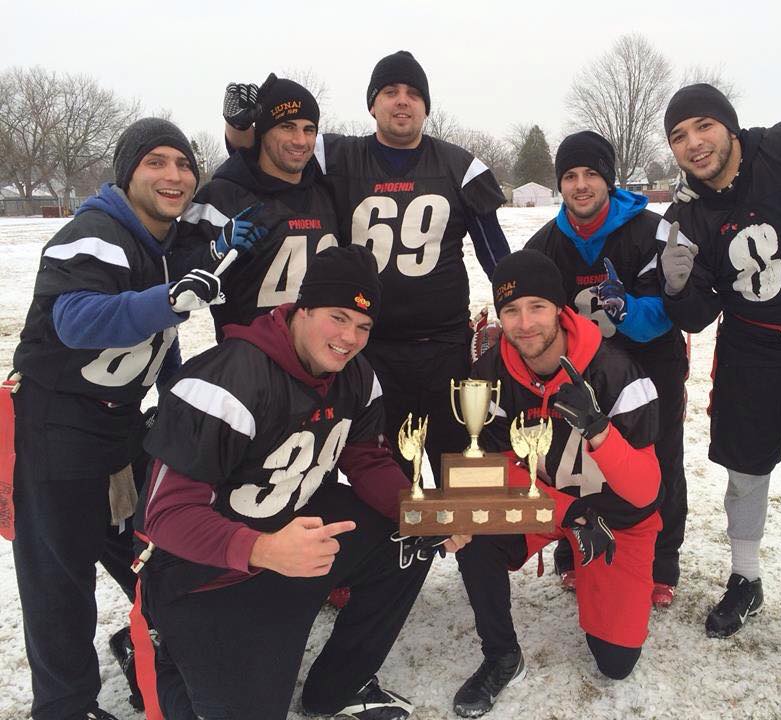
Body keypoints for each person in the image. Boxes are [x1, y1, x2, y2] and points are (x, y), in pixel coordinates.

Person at [135, 245, 468, 720]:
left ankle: (339, 686)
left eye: (363, 326)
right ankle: (159, 653)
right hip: (204, 569)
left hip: (291, 528)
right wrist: (263, 549)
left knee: (411, 536)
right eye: (338, 317)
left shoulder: (356, 375)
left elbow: (366, 460)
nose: (350, 337)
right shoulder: (227, 381)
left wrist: (422, 512)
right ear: (303, 308)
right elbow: (166, 516)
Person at [10, 118, 223, 720]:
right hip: (58, 424)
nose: (174, 175)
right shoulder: (97, 232)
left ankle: (147, 642)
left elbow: (157, 340)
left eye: (184, 164)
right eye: (156, 162)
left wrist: (178, 397)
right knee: (59, 578)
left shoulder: (164, 244)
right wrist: (167, 301)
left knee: (152, 551)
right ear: (127, 173)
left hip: (121, 424)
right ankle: (62, 707)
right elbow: (76, 320)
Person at [224, 51, 511, 479]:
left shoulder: (458, 166)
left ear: (426, 107)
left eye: (413, 93)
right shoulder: (337, 156)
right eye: (390, 91)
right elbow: (263, 154)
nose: (402, 100)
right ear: (372, 104)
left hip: (446, 347)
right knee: (387, 476)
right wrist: (239, 124)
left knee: (461, 472)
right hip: (368, 348)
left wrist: (520, 307)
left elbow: (496, 255)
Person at [660, 84, 781, 665]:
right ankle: (746, 579)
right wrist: (677, 286)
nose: (694, 144)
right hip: (749, 350)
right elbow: (697, 315)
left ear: (730, 126)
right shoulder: (684, 213)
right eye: (679, 136)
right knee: (744, 472)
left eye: (703, 126)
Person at [453, 250, 662, 718]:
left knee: (615, 662)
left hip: (615, 518)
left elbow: (645, 491)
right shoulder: (490, 374)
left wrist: (599, 431)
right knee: (472, 516)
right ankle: (501, 655)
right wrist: (568, 512)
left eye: (537, 307)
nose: (524, 323)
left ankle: (594, 576)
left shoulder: (616, 372)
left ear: (560, 309)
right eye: (510, 310)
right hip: (551, 505)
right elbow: (488, 469)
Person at [524, 130, 687, 607]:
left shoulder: (650, 230)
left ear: (609, 179)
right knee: (574, 462)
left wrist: (627, 310)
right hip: (579, 374)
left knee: (659, 462)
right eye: (570, 176)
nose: (580, 185)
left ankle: (661, 562)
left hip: (650, 367)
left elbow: (668, 312)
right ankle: (574, 551)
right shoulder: (545, 243)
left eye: (591, 174)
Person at [175, 74, 334, 340]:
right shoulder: (222, 196)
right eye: (287, 127)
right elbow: (175, 274)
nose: (300, 140)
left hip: (319, 353)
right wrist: (214, 252)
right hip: (248, 355)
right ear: (262, 132)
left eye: (309, 130)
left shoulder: (326, 191)